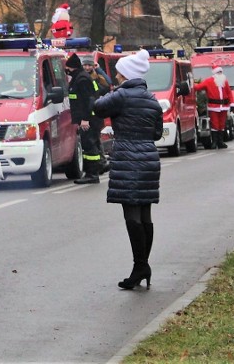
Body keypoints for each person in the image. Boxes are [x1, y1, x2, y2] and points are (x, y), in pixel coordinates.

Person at [93, 49, 163, 290]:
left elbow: (98, 107)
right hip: (149, 158)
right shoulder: (152, 99)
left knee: (131, 215)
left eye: (118, 73)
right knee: (145, 214)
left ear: (124, 75)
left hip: (128, 158)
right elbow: (156, 133)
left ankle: (140, 266)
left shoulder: (121, 95)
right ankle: (142, 266)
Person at [65, 54, 104, 184]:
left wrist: (85, 119)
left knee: (90, 146)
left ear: (73, 68)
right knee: (88, 146)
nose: (67, 70)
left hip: (89, 119)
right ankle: (91, 172)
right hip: (86, 118)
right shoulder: (79, 78)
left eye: (68, 68)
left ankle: (92, 174)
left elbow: (89, 101)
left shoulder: (82, 80)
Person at [193, 65, 234, 149]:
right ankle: (214, 142)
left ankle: (220, 141)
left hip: (224, 106)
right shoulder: (208, 81)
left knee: (222, 124)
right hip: (214, 106)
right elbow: (197, 87)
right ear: (215, 73)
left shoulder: (225, 81)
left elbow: (229, 92)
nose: (220, 74)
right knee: (215, 124)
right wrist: (190, 84)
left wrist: (232, 103)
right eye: (218, 72)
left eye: (221, 72)